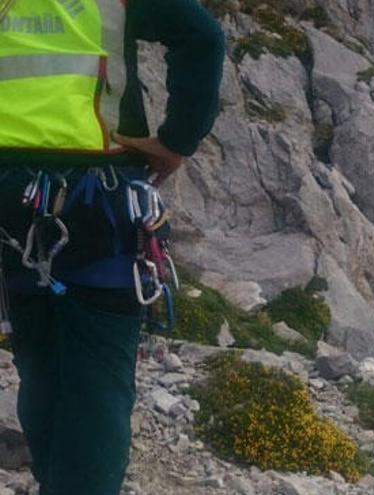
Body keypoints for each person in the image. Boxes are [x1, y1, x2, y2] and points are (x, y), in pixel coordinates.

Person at [0, 0, 224, 493]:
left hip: (9, 201)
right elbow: (201, 37)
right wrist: (175, 141)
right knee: (97, 378)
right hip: (97, 198)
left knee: (40, 361)